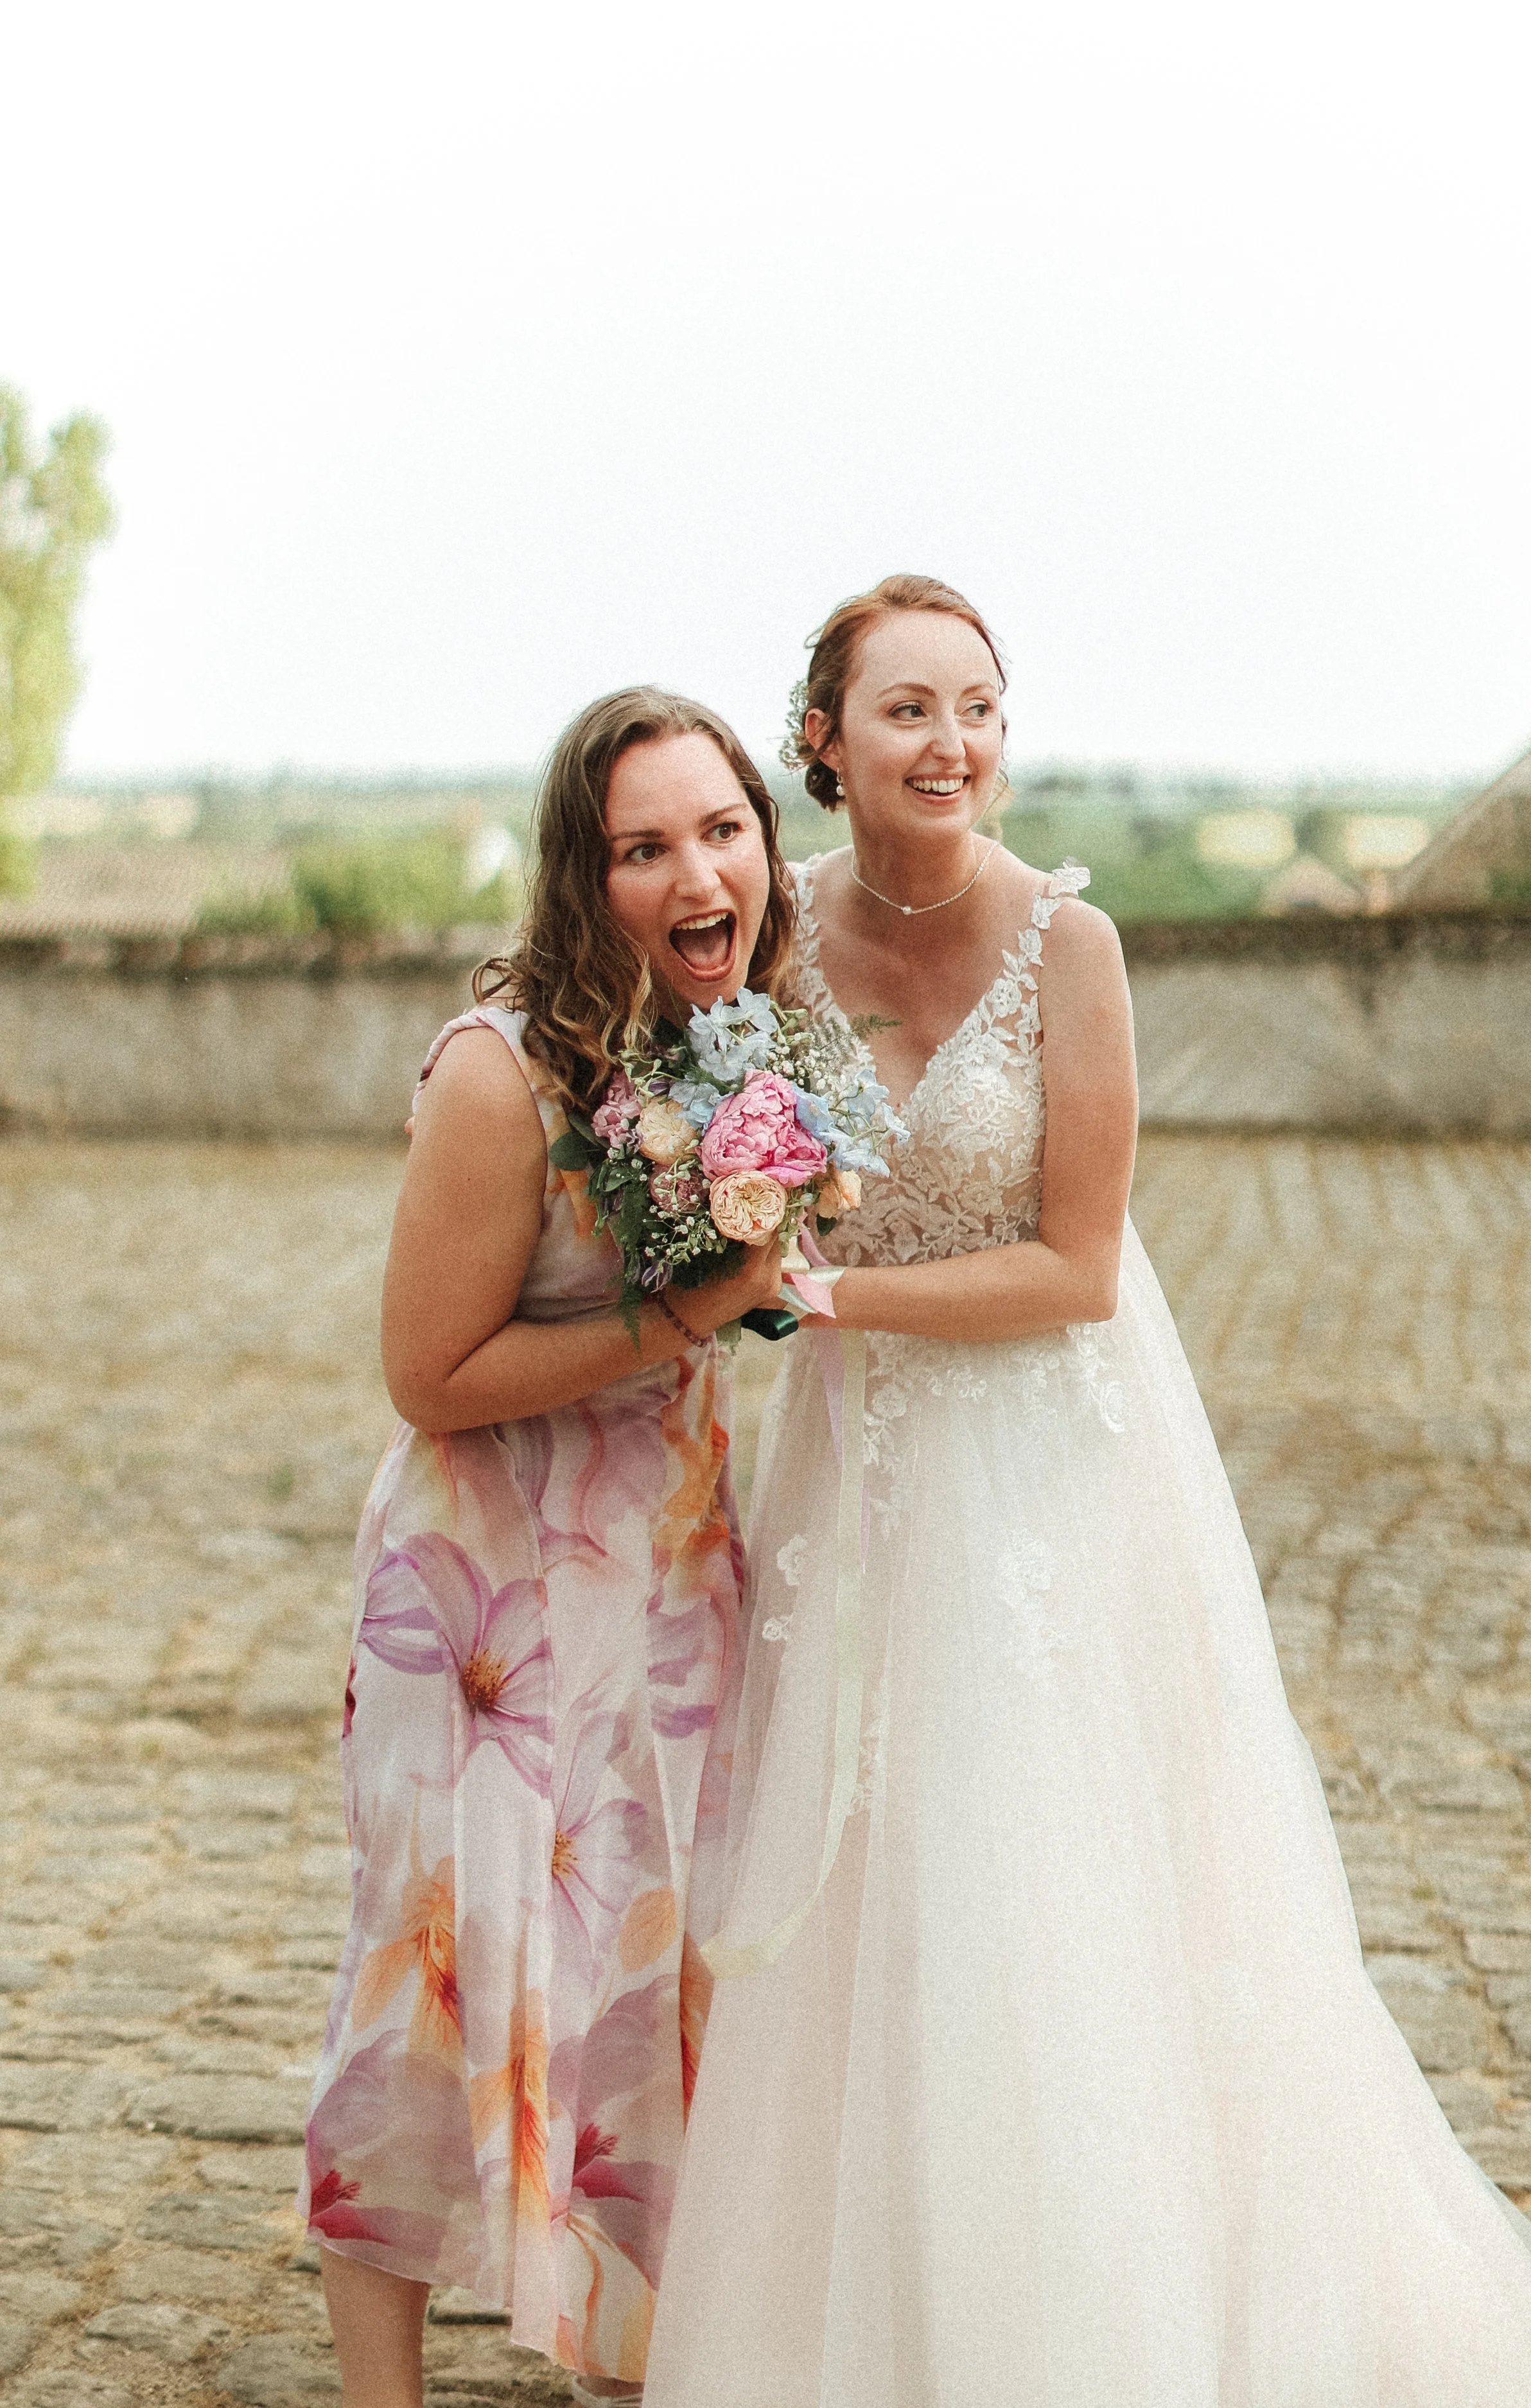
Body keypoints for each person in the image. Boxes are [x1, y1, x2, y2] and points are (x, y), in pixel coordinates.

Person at [643, 577, 1531, 2407]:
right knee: (860, 1868)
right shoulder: (771, 949)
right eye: (907, 708)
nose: (951, 742)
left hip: (1043, 1477)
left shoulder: (1062, 950)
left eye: (978, 707)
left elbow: (1076, 1265)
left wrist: (825, 1292)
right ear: (822, 741)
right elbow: (692, 1129)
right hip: (852, 1476)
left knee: (1039, 1871)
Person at [299, 688, 788, 2408]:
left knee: (646, 1983)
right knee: (441, 1984)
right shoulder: (498, 1074)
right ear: (581, 880)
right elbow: (426, 1375)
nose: (690, 868)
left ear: (762, 847)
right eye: (641, 845)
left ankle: (629, 2358)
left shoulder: (742, 1056)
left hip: (663, 1585)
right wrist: (687, 1316)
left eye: (717, 829)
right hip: (482, 1610)